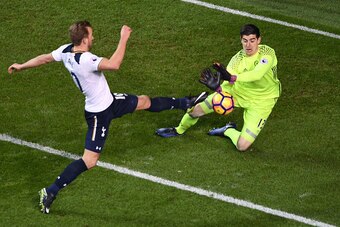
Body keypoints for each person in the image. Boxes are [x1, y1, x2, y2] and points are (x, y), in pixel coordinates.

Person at [8, 20, 208, 214]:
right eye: (92, 34)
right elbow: (114, 64)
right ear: (85, 39)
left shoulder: (66, 50)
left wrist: (21, 65)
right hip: (98, 114)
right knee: (90, 160)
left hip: (111, 101)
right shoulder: (85, 60)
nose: (93, 37)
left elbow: (44, 58)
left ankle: (185, 103)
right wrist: (123, 38)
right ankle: (50, 191)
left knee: (144, 101)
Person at [156, 24, 281, 152]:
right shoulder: (237, 60)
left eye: (252, 40)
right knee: (196, 110)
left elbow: (257, 74)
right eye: (245, 41)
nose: (248, 45)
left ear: (259, 40)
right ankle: (178, 129)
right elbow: (227, 84)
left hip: (262, 100)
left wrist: (232, 78)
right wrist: (218, 90)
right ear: (241, 40)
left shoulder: (267, 53)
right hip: (237, 91)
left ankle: (228, 130)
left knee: (242, 146)